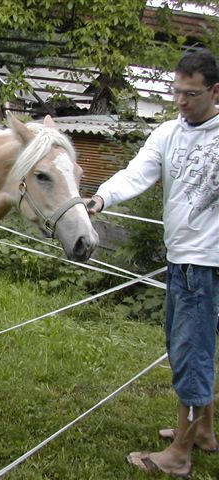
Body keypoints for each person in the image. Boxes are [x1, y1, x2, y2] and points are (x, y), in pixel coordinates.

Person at [87, 50, 219, 477]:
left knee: (191, 356)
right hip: (180, 261)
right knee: (189, 351)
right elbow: (136, 173)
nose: (181, 102)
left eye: (192, 94)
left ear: (215, 91)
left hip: (206, 266)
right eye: (176, 91)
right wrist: (102, 196)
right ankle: (203, 433)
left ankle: (179, 456)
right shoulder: (168, 133)